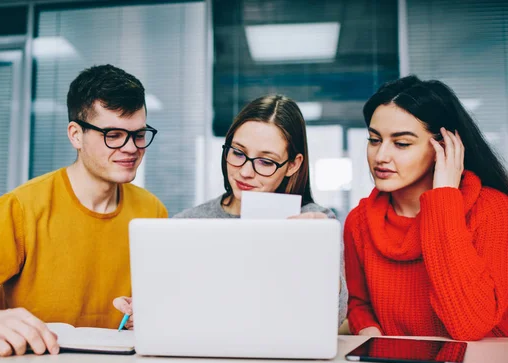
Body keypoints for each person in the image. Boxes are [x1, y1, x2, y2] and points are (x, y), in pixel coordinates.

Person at [0, 64, 167, 356]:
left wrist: (150, 313)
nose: (131, 148)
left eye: (138, 134)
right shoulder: (20, 208)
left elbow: (161, 302)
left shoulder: (152, 211)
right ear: (76, 135)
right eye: (113, 134)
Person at [113, 94, 348, 329]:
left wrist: (321, 257)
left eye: (266, 162)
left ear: (293, 165)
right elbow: (171, 311)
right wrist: (143, 312)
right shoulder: (187, 223)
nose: (245, 171)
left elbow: (334, 319)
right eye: (237, 153)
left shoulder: (316, 222)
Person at [344, 75, 508, 341]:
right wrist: (367, 331)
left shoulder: (492, 210)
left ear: (443, 147)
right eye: (374, 140)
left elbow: (470, 325)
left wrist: (444, 200)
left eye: (401, 143)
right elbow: (359, 303)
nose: (381, 156)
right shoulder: (359, 221)